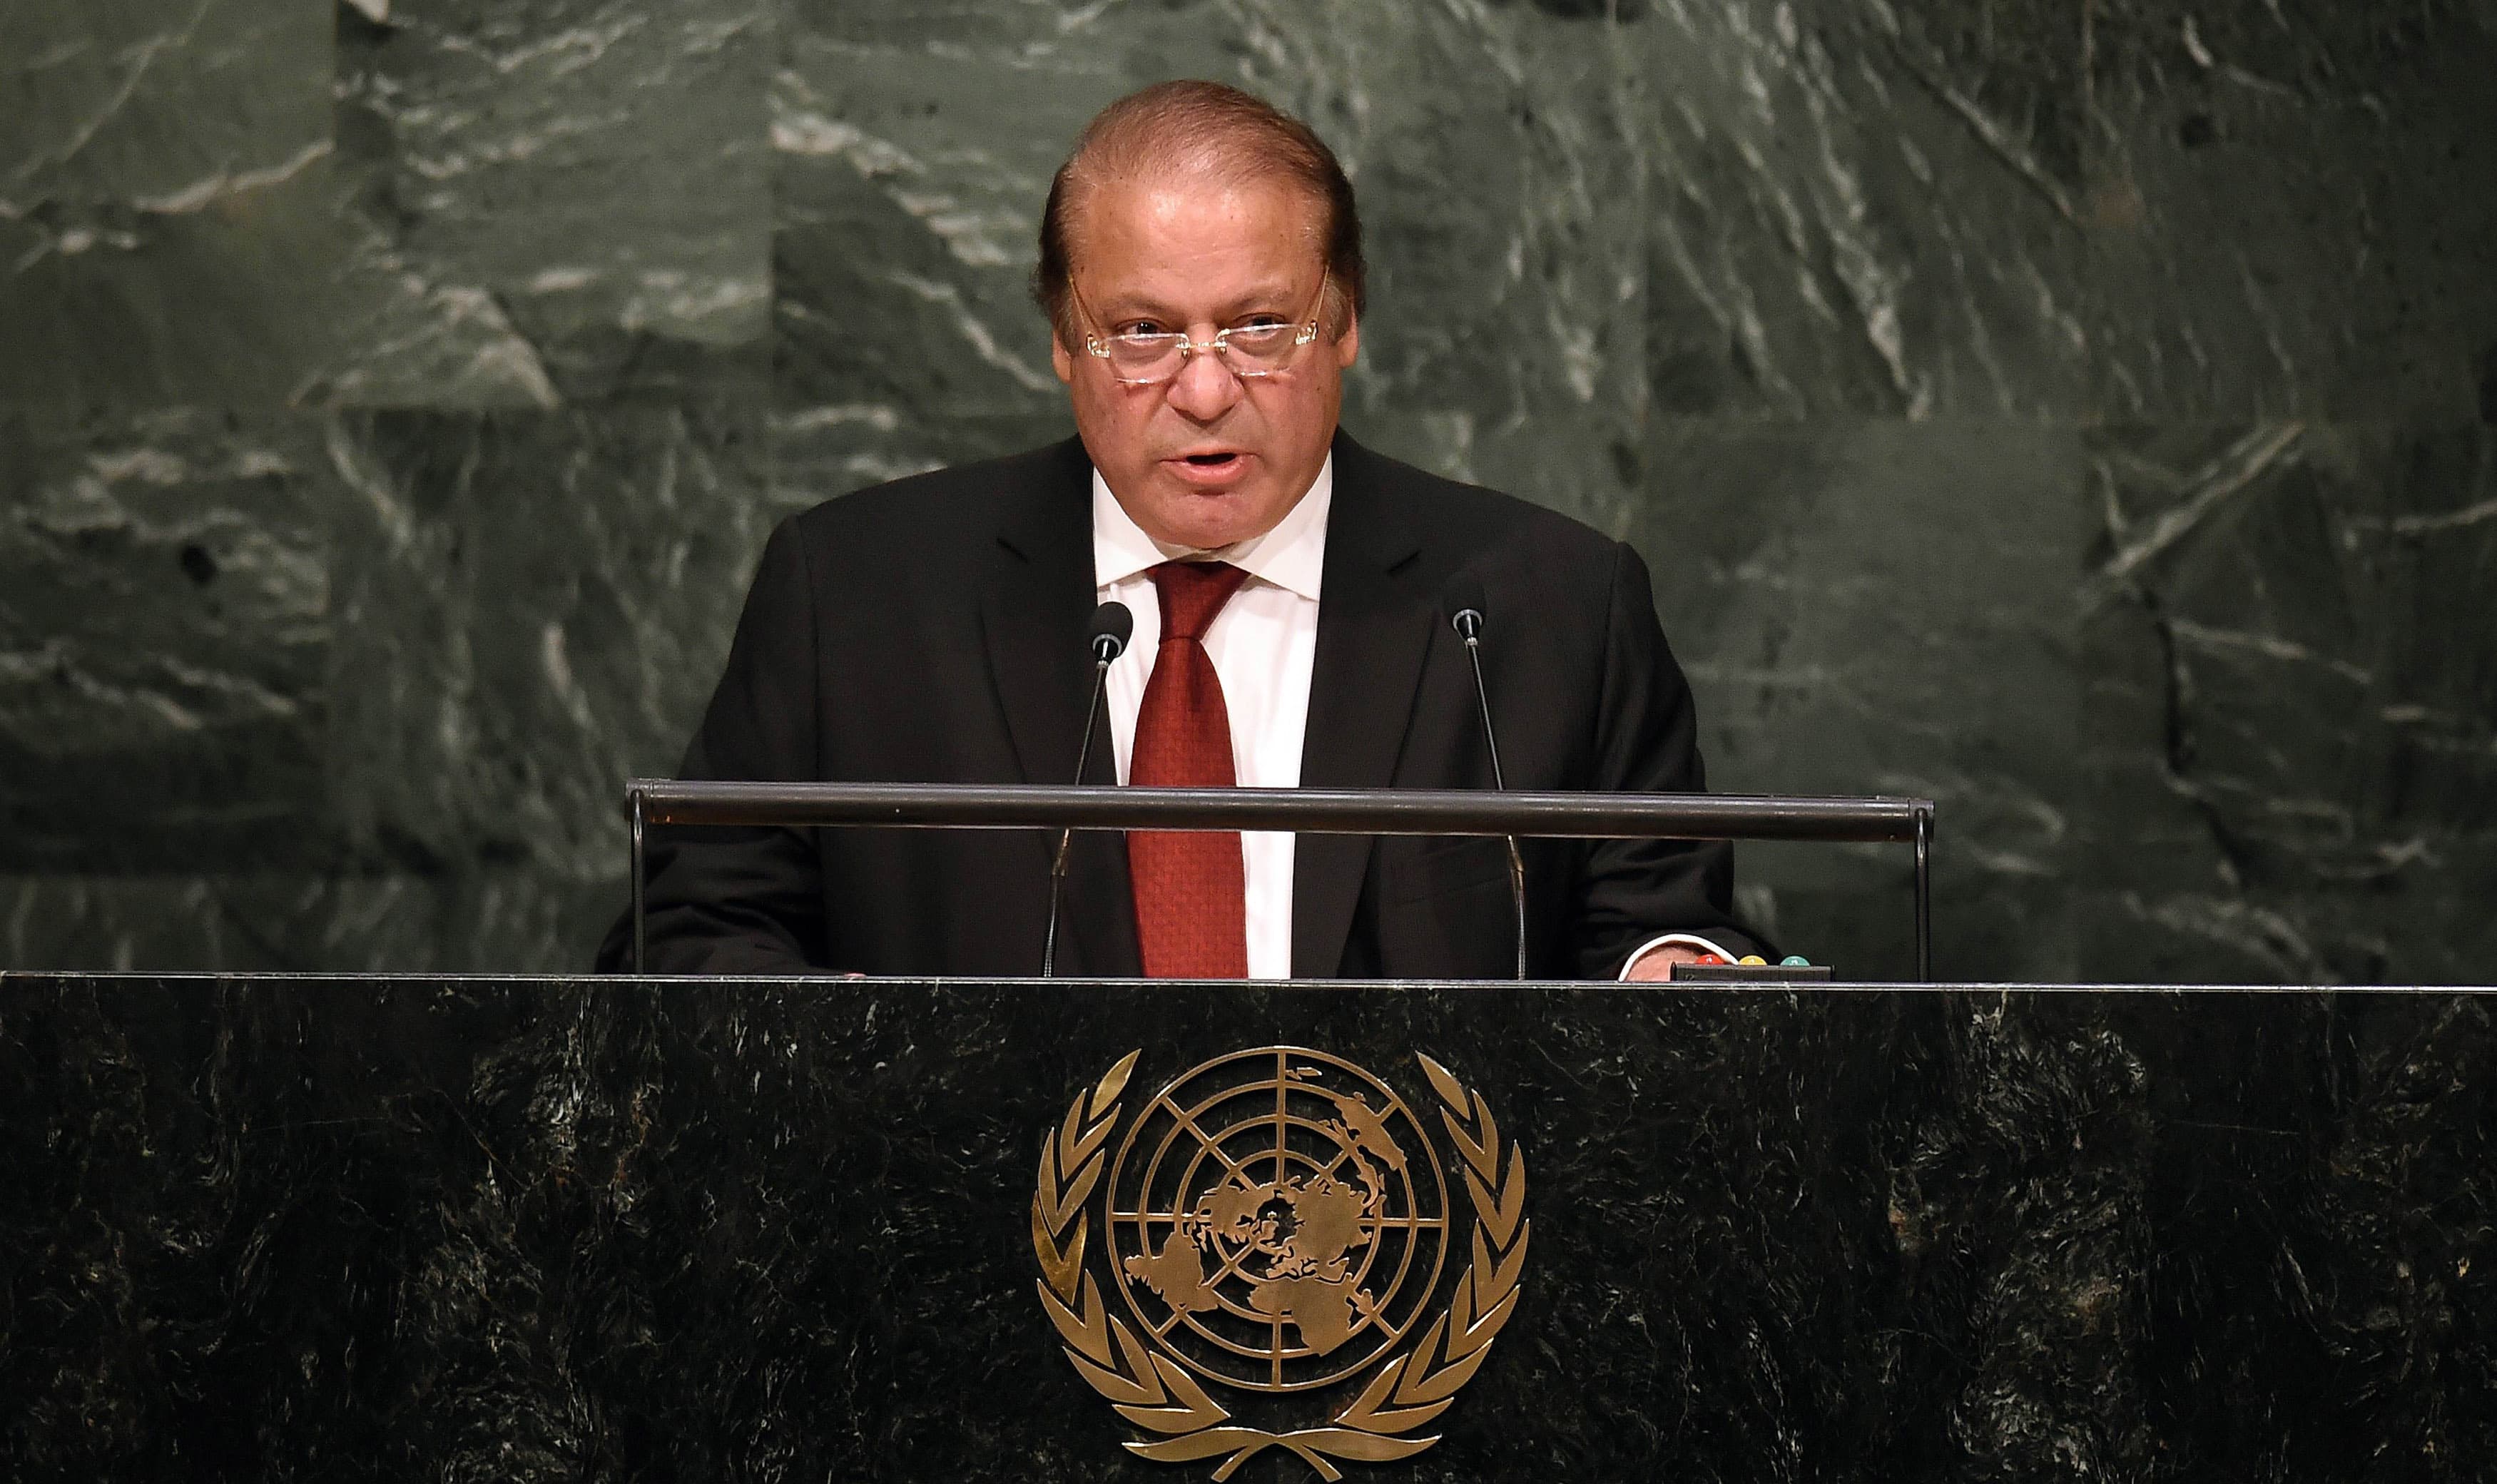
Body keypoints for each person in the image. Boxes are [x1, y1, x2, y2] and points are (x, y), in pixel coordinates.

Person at [596, 81, 1766, 980]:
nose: (1205, 392)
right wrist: (828, 1046)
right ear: (1063, 339)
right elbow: (692, 929)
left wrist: (1674, 980)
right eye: (1144, 332)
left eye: (1260, 326)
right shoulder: (852, 595)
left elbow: (1657, 928)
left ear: (1345, 320)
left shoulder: (1549, 606)